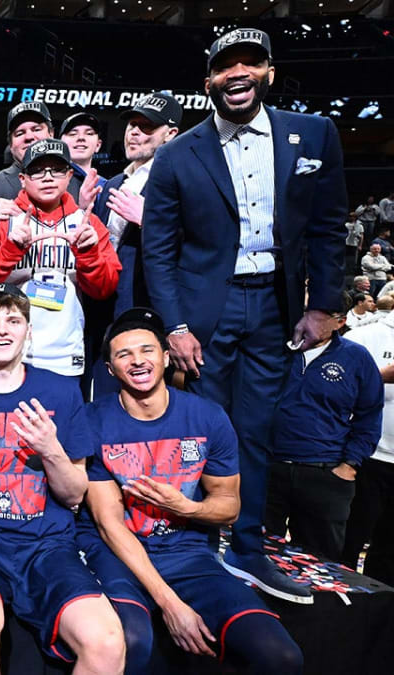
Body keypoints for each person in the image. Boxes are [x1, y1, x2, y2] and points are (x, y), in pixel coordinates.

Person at [140, 28, 348, 603]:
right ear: (207, 80)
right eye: (225, 66)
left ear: (269, 72)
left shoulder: (315, 134)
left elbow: (330, 228)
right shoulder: (178, 154)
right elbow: (159, 249)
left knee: (257, 431)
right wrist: (175, 327)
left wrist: (324, 305)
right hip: (209, 307)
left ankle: (250, 549)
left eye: (250, 63)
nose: (238, 74)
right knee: (204, 430)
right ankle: (197, 545)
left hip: (278, 306)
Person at [77, 307, 304, 674]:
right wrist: (171, 604)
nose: (138, 361)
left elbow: (228, 506)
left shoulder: (208, 417)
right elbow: (109, 525)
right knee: (132, 642)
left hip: (189, 556)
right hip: (117, 557)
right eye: (124, 354)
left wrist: (187, 507)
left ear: (166, 357)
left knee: (280, 655)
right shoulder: (92, 421)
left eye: (147, 350)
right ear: (110, 370)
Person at [0, 284, 125, 674]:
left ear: (28, 332)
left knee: (107, 643)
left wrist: (50, 447)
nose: (2, 330)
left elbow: (72, 496)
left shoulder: (63, 393)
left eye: (13, 320)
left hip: (45, 543)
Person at [0, 139, 120, 381]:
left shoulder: (87, 224)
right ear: (22, 179)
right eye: (38, 170)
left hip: (65, 353)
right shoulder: (2, 219)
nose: (48, 177)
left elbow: (104, 289)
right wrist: (10, 250)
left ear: (69, 175)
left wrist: (88, 253)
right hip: (6, 353)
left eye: (57, 169)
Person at [266, 293, 382, 561]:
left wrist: (350, 465)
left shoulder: (356, 358)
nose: (307, 318)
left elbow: (370, 414)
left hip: (325, 472)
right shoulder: (276, 346)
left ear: (339, 322)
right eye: (305, 309)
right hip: (269, 468)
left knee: (318, 560)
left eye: (317, 315)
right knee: (256, 553)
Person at [85, 91, 183, 398]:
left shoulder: (182, 182)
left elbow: (201, 246)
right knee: (103, 396)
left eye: (147, 127)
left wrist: (148, 220)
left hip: (146, 308)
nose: (135, 133)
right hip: (103, 308)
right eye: (132, 125)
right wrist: (83, 210)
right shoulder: (112, 184)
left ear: (171, 134)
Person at [341, 309, 394, 583]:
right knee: (351, 537)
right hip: (371, 457)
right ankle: (341, 606)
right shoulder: (366, 336)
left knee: (389, 550)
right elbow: (338, 389)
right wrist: (380, 376)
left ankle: (383, 611)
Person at [0, 102, 84, 211]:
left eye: (36, 129)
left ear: (51, 134)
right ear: (10, 144)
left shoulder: (79, 184)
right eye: (19, 133)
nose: (29, 137)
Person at [59, 110, 105, 190]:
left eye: (89, 133)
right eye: (72, 134)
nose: (81, 138)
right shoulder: (52, 183)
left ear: (98, 145)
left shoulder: (107, 186)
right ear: (60, 144)